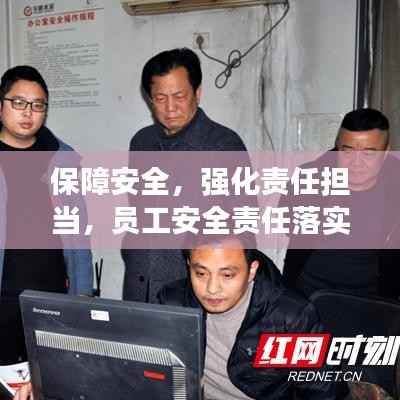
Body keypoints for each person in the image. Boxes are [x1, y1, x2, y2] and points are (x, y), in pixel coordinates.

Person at [122, 48, 248, 303]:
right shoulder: (142, 142)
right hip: (139, 282)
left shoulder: (223, 145)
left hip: (191, 290)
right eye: (160, 98)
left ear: (197, 93)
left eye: (179, 96)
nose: (170, 108)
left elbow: (244, 228)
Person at [157, 235, 335, 399]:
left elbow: (321, 392)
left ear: (252, 271)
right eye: (201, 274)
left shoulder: (290, 318)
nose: (212, 289)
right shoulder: (173, 302)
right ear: (189, 266)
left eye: (227, 275)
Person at [0, 65, 93, 364]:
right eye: (19, 102)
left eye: (38, 105)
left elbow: (78, 234)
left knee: (51, 377)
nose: (28, 112)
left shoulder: (62, 158)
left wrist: (82, 295)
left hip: (51, 296)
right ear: (1, 105)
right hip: (3, 297)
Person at [282, 108, 400, 300]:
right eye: (347, 151)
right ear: (337, 147)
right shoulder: (308, 179)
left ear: (386, 152)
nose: (356, 163)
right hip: (307, 296)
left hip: (375, 301)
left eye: (369, 153)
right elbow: (287, 224)